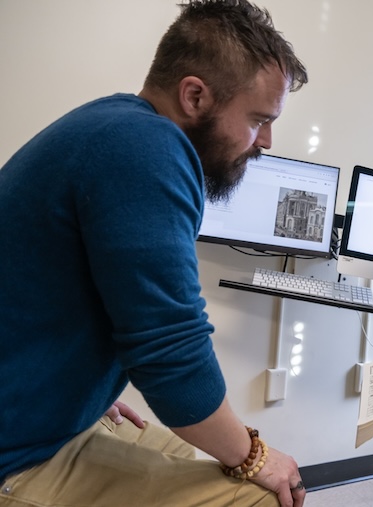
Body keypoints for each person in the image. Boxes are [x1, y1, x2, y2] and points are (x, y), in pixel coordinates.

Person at [0, 1, 309, 506]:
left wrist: (85, 397)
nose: (267, 142)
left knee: (191, 454)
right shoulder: (147, 149)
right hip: (16, 450)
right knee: (261, 496)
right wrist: (256, 455)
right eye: (258, 120)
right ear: (195, 96)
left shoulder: (114, 124)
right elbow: (171, 353)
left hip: (39, 416)